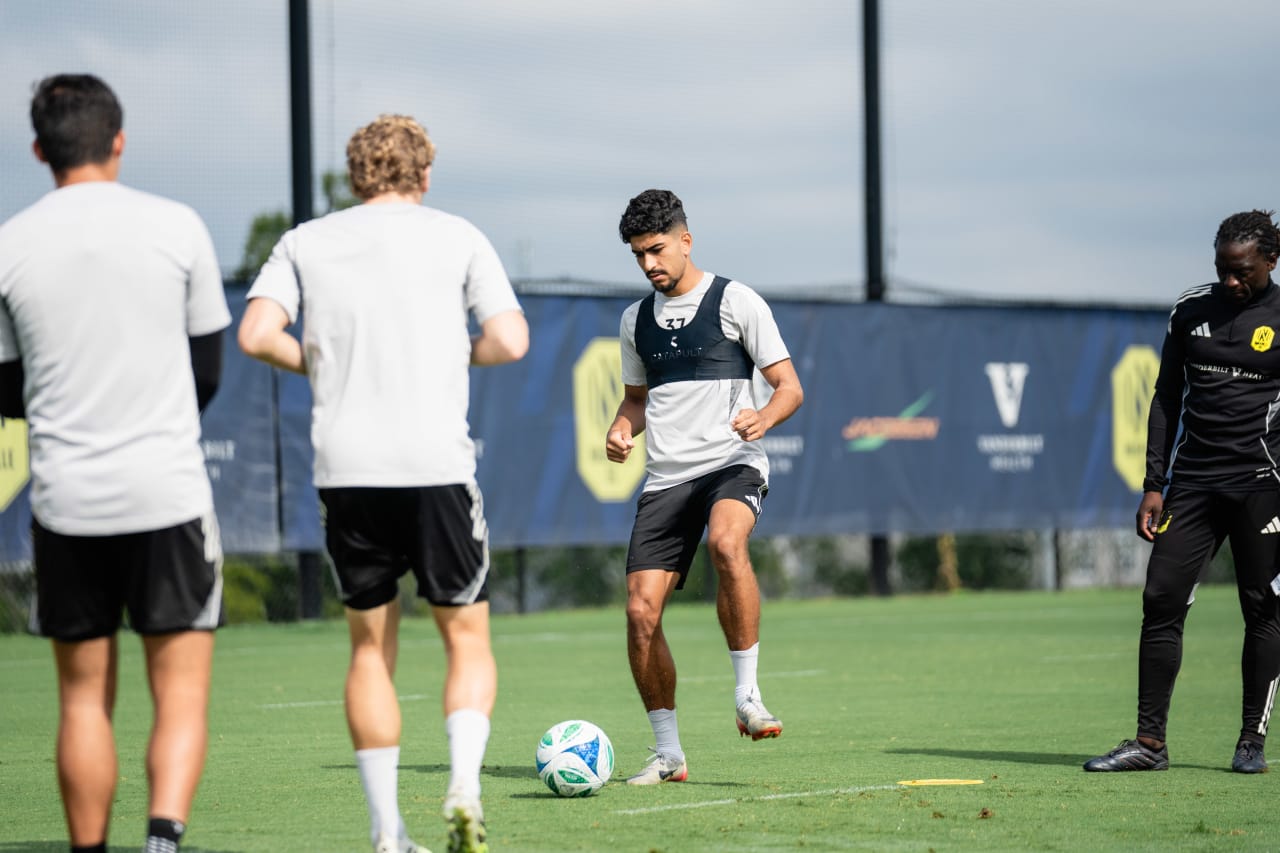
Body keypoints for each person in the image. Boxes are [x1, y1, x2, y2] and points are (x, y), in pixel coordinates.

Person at [238, 114, 527, 853]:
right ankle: (463, 786)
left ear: (356, 175)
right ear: (424, 174)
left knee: (370, 651)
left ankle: (386, 833)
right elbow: (510, 339)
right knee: (466, 638)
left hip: (349, 471)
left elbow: (256, 332)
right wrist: (455, 351)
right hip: (435, 466)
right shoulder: (458, 235)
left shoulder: (305, 241)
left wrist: (320, 363)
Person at [0, 74, 229, 853]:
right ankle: (161, 843)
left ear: (40, 150)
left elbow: (7, 391)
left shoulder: (9, 243)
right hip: (167, 494)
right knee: (180, 694)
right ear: (119, 140)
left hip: (67, 502)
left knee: (81, 700)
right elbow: (206, 374)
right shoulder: (179, 226)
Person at [605, 189, 804, 785]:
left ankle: (748, 696)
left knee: (725, 542)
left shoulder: (736, 301)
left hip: (731, 463)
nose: (649, 264)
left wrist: (763, 418)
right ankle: (669, 756)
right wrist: (621, 427)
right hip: (666, 478)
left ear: (685, 240)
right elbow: (636, 401)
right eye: (638, 255)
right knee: (640, 613)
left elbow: (789, 387)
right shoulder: (634, 321)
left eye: (657, 250)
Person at [1085, 209, 1280, 775]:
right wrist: (1154, 484)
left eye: (1242, 271)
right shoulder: (1190, 310)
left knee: (1263, 609)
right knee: (1161, 600)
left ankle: (1251, 742)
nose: (1230, 281)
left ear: (1271, 260)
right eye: (1222, 269)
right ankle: (1150, 744)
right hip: (1192, 484)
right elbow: (1166, 397)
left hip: (1263, 486)